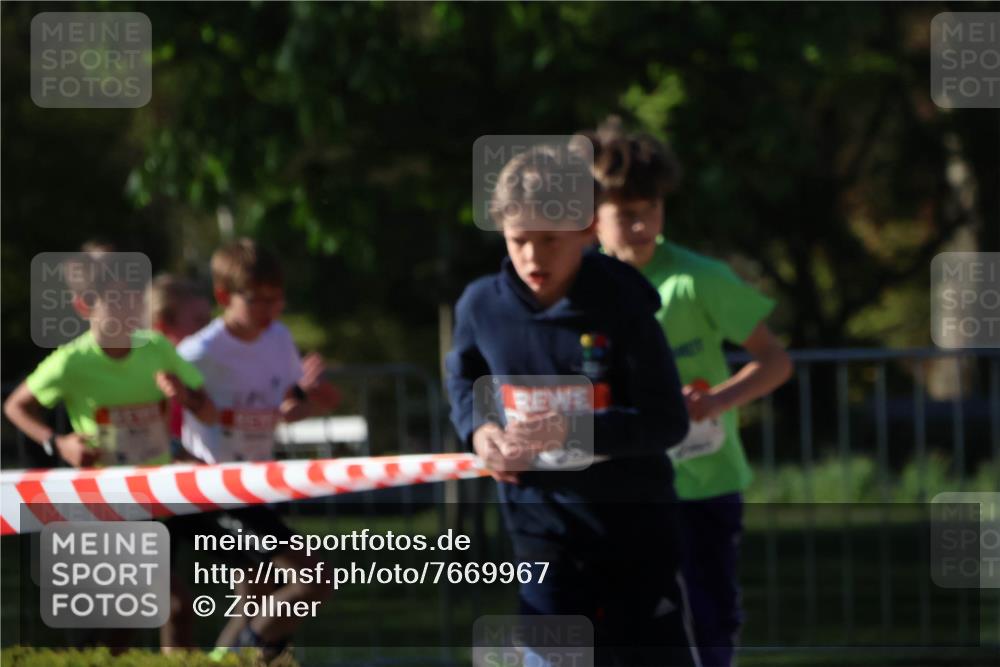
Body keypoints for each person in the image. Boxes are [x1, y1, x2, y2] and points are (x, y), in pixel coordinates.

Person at [446, 143, 699, 666]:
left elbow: (667, 421)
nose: (534, 257)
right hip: (541, 531)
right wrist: (479, 431)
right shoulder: (481, 307)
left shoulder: (625, 306)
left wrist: (572, 430)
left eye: (550, 240)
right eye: (520, 241)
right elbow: (464, 377)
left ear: (587, 231)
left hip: (635, 530)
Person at [587, 118, 792, 667]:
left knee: (707, 613)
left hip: (702, 481)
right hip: (619, 481)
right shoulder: (581, 287)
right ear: (593, 218)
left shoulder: (699, 278)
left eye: (651, 210)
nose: (642, 226)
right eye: (626, 214)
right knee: (622, 616)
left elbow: (774, 362)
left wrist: (717, 400)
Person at [2, 247, 216, 654]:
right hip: (103, 505)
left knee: (155, 614)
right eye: (116, 300)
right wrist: (57, 442)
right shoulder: (72, 361)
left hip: (158, 501)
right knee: (137, 618)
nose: (128, 309)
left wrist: (182, 393)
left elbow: (206, 406)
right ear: (85, 306)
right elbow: (15, 406)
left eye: (133, 298)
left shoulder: (155, 348)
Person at [177, 238, 338, 661]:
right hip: (213, 493)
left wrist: (307, 403)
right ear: (224, 296)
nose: (269, 310)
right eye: (257, 300)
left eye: (277, 299)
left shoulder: (278, 338)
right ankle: (249, 654)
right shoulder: (197, 353)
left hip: (258, 488)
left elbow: (285, 410)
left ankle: (240, 655)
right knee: (314, 576)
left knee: (254, 601)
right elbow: (160, 413)